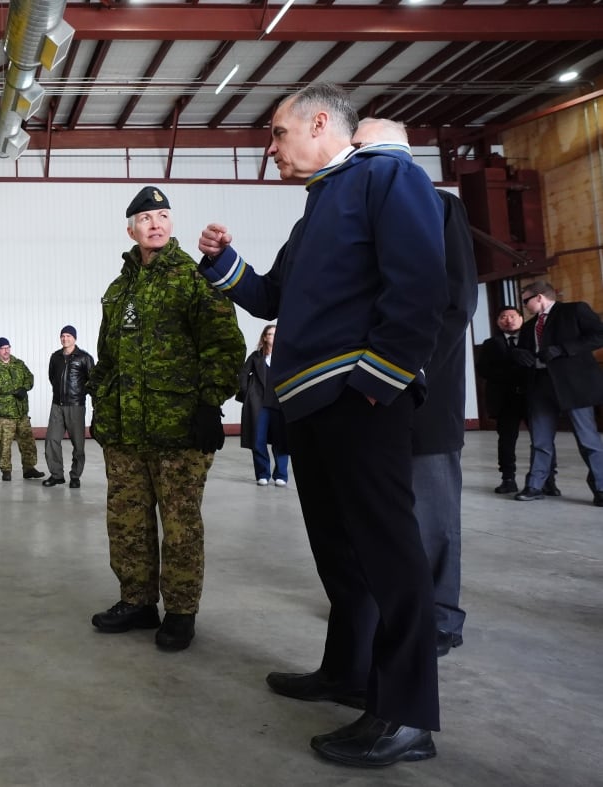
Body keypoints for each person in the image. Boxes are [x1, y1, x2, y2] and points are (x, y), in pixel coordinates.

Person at [197, 83, 447, 766]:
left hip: (358, 400)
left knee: (390, 557)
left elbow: (423, 283)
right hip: (310, 403)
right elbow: (273, 294)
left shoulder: (387, 176)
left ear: (318, 122)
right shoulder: (317, 211)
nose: (270, 147)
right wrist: (224, 261)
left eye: (277, 133)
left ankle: (405, 715)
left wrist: (378, 381)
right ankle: (347, 671)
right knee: (341, 554)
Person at [88, 186, 245, 654]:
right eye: (145, 217)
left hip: (178, 429)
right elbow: (107, 358)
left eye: (163, 215)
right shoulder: (118, 290)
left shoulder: (196, 280)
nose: (156, 223)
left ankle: (180, 611)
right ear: (130, 228)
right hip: (125, 432)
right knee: (127, 521)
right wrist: (101, 406)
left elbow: (225, 346)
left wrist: (209, 404)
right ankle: (137, 601)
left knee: (179, 526)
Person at [352, 116, 479, 659]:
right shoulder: (360, 215)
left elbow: (451, 305)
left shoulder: (438, 207)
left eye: (358, 148)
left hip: (417, 391)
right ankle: (393, 608)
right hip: (369, 394)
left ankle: (441, 615)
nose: (349, 156)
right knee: (382, 513)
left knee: (431, 513)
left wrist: (399, 370)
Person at [511, 281, 603, 506]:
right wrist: (518, 355)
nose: (525, 306)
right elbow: (522, 351)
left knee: (587, 439)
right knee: (540, 441)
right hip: (540, 386)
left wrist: (563, 349)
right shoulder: (528, 326)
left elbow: (599, 336)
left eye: (526, 301)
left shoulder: (574, 310)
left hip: (573, 385)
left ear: (540, 297)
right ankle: (535, 485)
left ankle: (601, 487)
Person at [477, 306, 560, 495]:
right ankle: (508, 479)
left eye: (513, 316)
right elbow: (483, 370)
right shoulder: (490, 343)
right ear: (498, 321)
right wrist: (510, 370)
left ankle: (548, 480)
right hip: (506, 399)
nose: (508, 320)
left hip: (533, 397)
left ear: (522, 319)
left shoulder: (533, 340)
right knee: (506, 440)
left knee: (543, 439)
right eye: (503, 316)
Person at [0, 338, 46, 481]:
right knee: (4, 445)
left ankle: (29, 468)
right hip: (5, 414)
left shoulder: (19, 364)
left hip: (21, 412)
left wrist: (24, 388)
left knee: (28, 443)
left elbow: (29, 377)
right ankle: (6, 471)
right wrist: (16, 389)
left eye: (8, 347)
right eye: (3, 348)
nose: (6, 351)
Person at [238, 324, 290, 487]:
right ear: (265, 337)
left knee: (281, 440)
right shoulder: (256, 356)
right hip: (258, 405)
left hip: (280, 404)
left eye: (275, 334)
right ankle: (262, 474)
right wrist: (247, 393)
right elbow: (243, 374)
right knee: (257, 440)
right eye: (270, 334)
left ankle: (281, 474)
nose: (273, 337)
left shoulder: (286, 357)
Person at [44, 325, 94, 488]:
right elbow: (53, 378)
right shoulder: (55, 357)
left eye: (68, 336)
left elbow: (92, 382)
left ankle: (75, 476)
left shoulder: (84, 357)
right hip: (57, 405)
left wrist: (79, 394)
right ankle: (57, 475)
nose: (65, 338)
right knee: (51, 440)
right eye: (62, 336)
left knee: (78, 444)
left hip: (75, 406)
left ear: (75, 338)